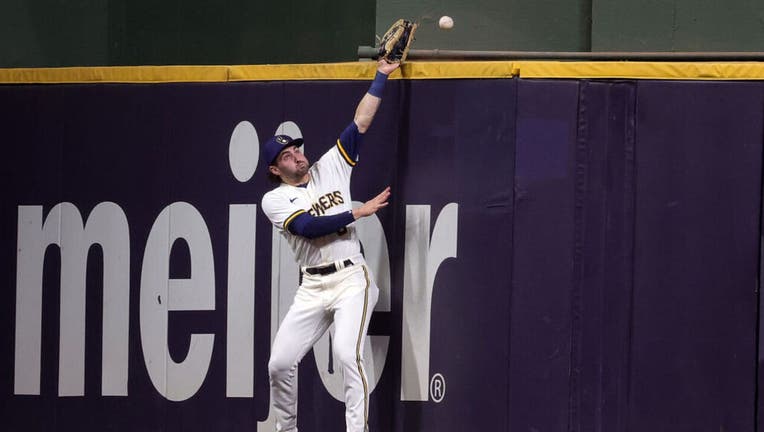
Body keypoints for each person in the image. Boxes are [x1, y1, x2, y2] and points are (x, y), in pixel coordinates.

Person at [260, 59, 400, 432]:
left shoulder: (330, 166)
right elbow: (307, 227)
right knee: (279, 362)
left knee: (346, 354)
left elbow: (362, 122)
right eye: (287, 156)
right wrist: (356, 213)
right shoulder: (274, 200)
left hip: (351, 278)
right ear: (276, 170)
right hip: (313, 287)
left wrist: (382, 74)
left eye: (297, 149)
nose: (297, 155)